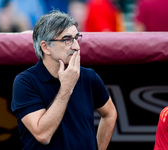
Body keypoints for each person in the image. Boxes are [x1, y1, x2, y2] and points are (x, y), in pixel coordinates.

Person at [11, 11, 117, 150]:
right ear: (45, 47)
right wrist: (67, 87)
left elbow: (110, 113)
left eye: (76, 38)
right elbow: (43, 135)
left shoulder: (88, 76)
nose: (76, 47)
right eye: (67, 39)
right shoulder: (25, 82)